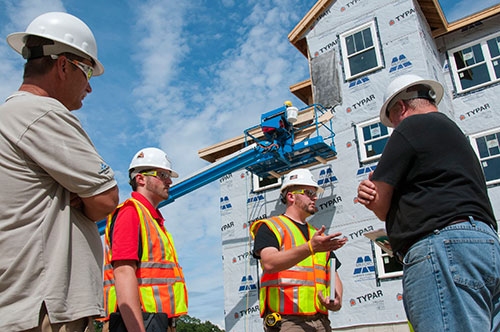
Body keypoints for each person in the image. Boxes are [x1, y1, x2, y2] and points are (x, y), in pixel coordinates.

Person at [0, 12, 119, 332]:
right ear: (64, 65)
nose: (89, 89)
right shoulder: (40, 113)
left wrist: (77, 195)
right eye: (88, 74)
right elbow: (107, 199)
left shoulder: (10, 116)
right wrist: (82, 198)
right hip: (47, 306)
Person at [357, 74, 500, 331]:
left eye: (393, 121)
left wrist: (370, 196)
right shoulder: (455, 135)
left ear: (400, 107)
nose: (394, 128)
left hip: (443, 248)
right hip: (487, 248)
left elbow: (380, 204)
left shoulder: (410, 127)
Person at [251, 168, 348, 332]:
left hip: (321, 320)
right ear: (291, 196)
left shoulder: (316, 234)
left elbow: (332, 271)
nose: (315, 197)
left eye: (315, 193)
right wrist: (310, 247)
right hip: (287, 321)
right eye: (309, 192)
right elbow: (269, 262)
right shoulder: (271, 227)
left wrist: (337, 300)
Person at [102, 147, 188, 332]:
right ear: (140, 178)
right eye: (162, 174)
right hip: (137, 323)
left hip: (155, 322)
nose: (169, 181)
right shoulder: (131, 213)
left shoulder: (152, 219)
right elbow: (124, 273)